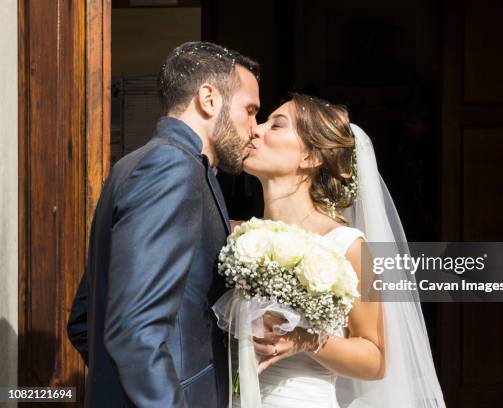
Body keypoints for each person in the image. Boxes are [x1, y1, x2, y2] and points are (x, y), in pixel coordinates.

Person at [66, 41, 260, 408]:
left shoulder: (136, 164)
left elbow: (84, 320)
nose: (254, 128)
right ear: (209, 98)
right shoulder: (172, 168)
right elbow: (134, 331)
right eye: (249, 110)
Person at [228, 93, 446, 407]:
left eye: (276, 125)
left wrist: (307, 340)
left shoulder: (353, 247)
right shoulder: (237, 237)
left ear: (310, 157)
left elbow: (377, 359)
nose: (256, 131)